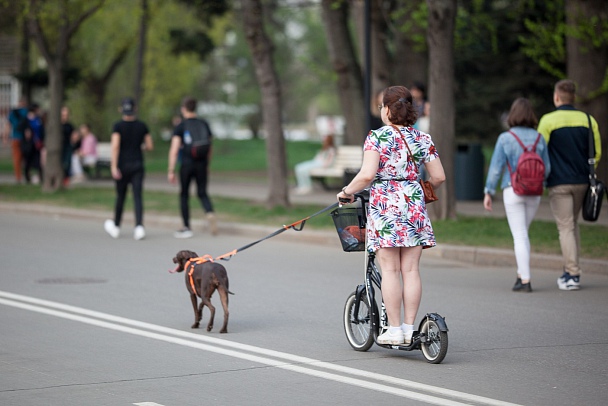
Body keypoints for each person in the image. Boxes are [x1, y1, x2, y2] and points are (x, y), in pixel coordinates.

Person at [337, 85, 445, 345]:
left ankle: (394, 329)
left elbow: (366, 175)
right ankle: (410, 328)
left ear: (386, 109)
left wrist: (346, 192)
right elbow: (439, 176)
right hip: (414, 206)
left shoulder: (377, 137)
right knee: (411, 270)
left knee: (390, 270)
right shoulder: (423, 138)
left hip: (386, 207)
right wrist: (418, 192)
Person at [537, 79, 602, 291]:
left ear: (557, 97)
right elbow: (596, 153)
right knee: (572, 225)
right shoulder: (588, 119)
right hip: (583, 181)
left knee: (565, 227)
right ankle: (569, 270)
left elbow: (539, 152)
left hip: (558, 182)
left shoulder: (548, 120)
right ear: (573, 98)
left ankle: (572, 274)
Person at [483, 98, 551, 292]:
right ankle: (521, 275)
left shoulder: (506, 138)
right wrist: (540, 183)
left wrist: (488, 191)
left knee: (520, 235)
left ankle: (526, 280)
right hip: (535, 192)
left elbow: (496, 168)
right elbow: (547, 169)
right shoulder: (540, 138)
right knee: (523, 234)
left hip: (513, 189)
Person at [104, 97, 154, 240]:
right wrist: (140, 147)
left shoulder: (118, 126)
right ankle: (139, 227)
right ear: (135, 109)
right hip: (137, 164)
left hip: (122, 165)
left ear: (121, 109)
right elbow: (149, 145)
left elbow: (115, 146)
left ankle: (116, 226)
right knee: (137, 196)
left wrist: (113, 166)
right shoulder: (142, 126)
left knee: (121, 196)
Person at [167, 97, 217, 238]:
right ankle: (210, 212)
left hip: (187, 164)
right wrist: (207, 163)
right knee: (202, 192)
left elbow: (174, 149)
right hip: (202, 163)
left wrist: (171, 169)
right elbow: (210, 146)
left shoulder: (181, 126)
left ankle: (186, 227)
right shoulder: (204, 123)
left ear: (184, 108)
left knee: (184, 194)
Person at [5, 97, 28, 184]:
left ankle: (18, 177)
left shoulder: (12, 113)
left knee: (16, 158)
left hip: (15, 137)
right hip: (25, 139)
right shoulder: (26, 112)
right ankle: (26, 175)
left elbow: (8, 125)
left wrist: (5, 137)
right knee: (26, 158)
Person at [22, 103, 45, 184]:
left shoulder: (38, 119)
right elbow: (19, 128)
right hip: (29, 144)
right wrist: (26, 131)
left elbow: (42, 130)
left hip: (37, 143)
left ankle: (41, 177)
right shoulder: (26, 119)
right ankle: (27, 177)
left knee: (39, 161)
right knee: (28, 161)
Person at [61, 106, 77, 186]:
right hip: (60, 147)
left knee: (67, 163)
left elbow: (74, 137)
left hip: (67, 146)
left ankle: (66, 180)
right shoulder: (57, 126)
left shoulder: (70, 126)